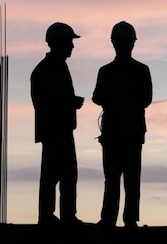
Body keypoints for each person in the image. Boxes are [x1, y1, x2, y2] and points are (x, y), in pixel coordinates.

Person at [92, 21, 153, 229]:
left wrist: (114, 99)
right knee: (131, 179)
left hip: (113, 133)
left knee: (112, 179)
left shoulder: (106, 71)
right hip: (132, 132)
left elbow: (97, 97)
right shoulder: (142, 70)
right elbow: (146, 99)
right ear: (132, 44)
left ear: (113, 43)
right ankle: (130, 219)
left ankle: (109, 219)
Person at [30, 22, 85, 227]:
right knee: (59, 175)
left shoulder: (54, 67)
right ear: (59, 43)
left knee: (62, 175)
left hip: (58, 129)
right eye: (69, 42)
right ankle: (55, 216)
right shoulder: (49, 69)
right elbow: (46, 101)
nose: (72, 46)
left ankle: (58, 215)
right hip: (55, 131)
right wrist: (70, 102)